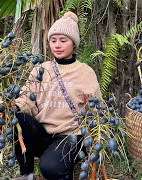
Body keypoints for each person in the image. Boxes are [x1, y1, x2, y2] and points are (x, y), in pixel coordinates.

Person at [13, 11, 102, 180]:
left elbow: (96, 109)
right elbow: (27, 99)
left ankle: (58, 166)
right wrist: (14, 106)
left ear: (74, 44)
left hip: (70, 137)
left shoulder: (85, 72)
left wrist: (93, 136)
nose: (57, 45)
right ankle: (26, 175)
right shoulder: (42, 69)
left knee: (50, 169)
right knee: (18, 118)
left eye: (63, 40)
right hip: (43, 133)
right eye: (53, 40)